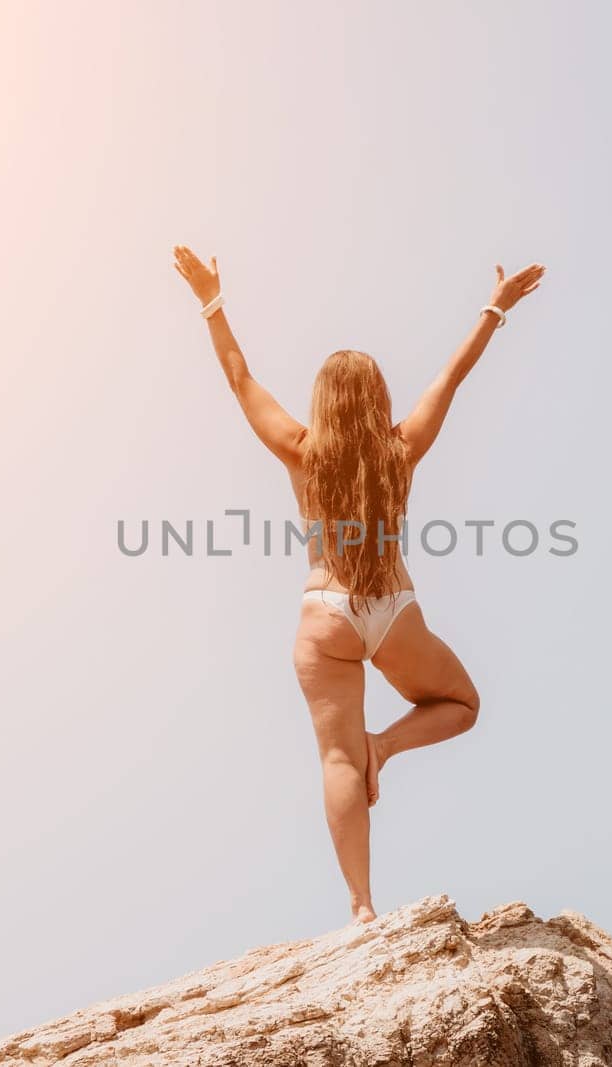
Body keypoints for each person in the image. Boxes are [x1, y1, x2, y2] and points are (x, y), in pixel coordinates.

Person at [173, 245, 546, 925]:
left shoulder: (299, 447)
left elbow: (240, 378)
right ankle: (389, 744)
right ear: (378, 400)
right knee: (462, 703)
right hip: (392, 608)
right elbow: (451, 378)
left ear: (324, 402)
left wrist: (211, 301)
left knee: (337, 757)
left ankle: (363, 908)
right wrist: (494, 310)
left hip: (326, 612)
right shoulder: (401, 450)